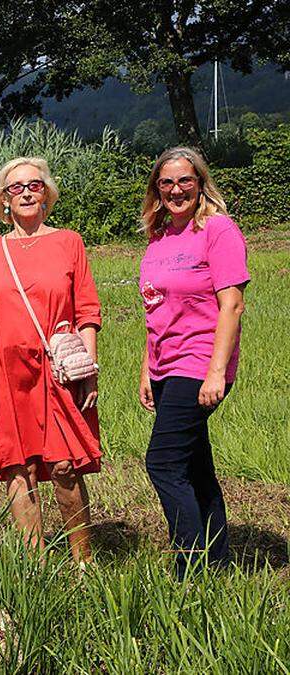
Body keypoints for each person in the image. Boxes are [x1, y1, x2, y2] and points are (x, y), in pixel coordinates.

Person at [0, 156, 102, 563]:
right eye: (15, 188)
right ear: (3, 200)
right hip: (3, 374)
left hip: (57, 372)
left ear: (47, 194)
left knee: (64, 466)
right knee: (16, 467)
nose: (25, 192)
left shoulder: (69, 242)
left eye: (33, 185)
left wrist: (88, 371)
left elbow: (87, 312)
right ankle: (35, 567)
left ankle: (84, 563)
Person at [138, 147, 248, 578]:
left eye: (185, 180)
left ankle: (190, 568)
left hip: (200, 363)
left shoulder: (218, 230)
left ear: (200, 183)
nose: (176, 189)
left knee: (163, 462)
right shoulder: (160, 236)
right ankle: (217, 564)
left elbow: (232, 305)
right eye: (166, 182)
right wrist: (148, 368)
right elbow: (156, 308)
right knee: (194, 467)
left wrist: (216, 372)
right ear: (157, 189)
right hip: (167, 366)